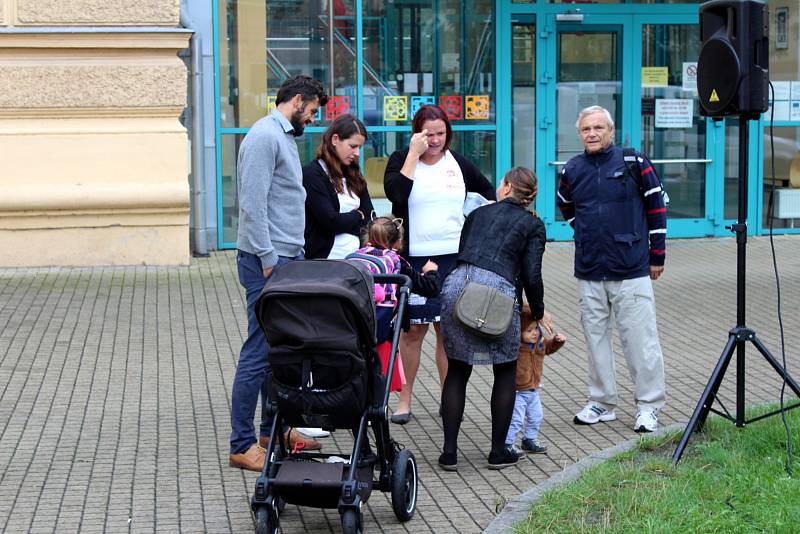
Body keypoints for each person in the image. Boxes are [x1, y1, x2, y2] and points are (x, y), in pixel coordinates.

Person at [229, 75, 328, 472]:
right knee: (258, 352)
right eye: (314, 111)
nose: (315, 119)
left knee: (278, 352)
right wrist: (269, 258)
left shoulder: (282, 135)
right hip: (267, 261)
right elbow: (251, 204)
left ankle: (273, 431)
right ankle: (242, 443)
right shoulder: (264, 137)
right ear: (298, 100)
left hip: (284, 257)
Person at [557, 105, 667, 433]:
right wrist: (585, 230)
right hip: (590, 269)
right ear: (580, 134)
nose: (592, 134)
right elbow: (564, 204)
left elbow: (656, 206)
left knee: (640, 341)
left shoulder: (634, 162)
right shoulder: (573, 168)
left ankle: (649, 405)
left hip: (631, 267)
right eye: (586, 129)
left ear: (611, 131)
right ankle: (602, 402)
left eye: (598, 128)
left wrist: (657, 255)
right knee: (595, 340)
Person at [383, 104, 495, 424]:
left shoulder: (457, 163)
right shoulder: (401, 161)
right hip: (415, 258)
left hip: (453, 258)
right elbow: (395, 193)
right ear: (416, 133)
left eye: (440, 133)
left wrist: (477, 230)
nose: (434, 140)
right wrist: (412, 156)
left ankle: (449, 398)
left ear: (449, 133)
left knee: (447, 331)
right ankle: (405, 399)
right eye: (428, 134)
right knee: (412, 331)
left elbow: (487, 193)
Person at [438, 167, 546, 471]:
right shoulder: (532, 225)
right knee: (505, 371)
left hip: (457, 288)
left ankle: (449, 453)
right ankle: (498, 452)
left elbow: (463, 254)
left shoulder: (477, 214)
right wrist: (537, 312)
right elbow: (531, 275)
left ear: (508, 186)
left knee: (458, 369)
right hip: (498, 294)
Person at [303, 114, 373, 260]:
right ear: (335, 139)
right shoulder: (312, 174)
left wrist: (347, 220)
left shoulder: (354, 174)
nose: (357, 153)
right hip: (325, 265)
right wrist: (357, 215)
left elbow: (370, 217)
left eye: (360, 147)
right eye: (353, 146)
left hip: (357, 263)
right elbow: (330, 221)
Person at [505, 308, 566, 457]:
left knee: (537, 416)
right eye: (529, 330)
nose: (534, 333)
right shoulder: (516, 347)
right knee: (516, 420)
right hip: (518, 391)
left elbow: (548, 348)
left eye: (536, 329)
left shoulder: (539, 343)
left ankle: (529, 439)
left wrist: (556, 342)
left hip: (534, 390)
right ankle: (507, 443)